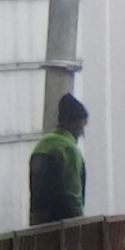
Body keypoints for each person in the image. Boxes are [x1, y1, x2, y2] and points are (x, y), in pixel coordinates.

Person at [29, 93, 89, 225]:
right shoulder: (69, 150)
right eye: (81, 127)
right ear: (71, 122)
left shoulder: (41, 145)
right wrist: (82, 227)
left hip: (39, 227)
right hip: (62, 229)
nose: (81, 133)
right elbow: (73, 197)